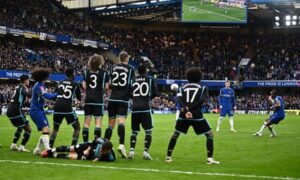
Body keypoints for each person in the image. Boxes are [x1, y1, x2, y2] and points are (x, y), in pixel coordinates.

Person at [165, 68, 219, 164]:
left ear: (188, 77)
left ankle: (168, 157)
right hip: (197, 115)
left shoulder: (182, 87)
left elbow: (179, 100)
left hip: (184, 115)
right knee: (209, 134)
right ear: (199, 77)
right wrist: (191, 110)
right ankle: (210, 158)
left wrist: (186, 110)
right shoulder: (203, 88)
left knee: (176, 134)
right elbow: (201, 101)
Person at [104, 51, 135, 158]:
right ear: (126, 58)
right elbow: (131, 84)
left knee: (110, 125)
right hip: (123, 99)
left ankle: (105, 144)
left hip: (112, 99)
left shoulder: (113, 67)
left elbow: (110, 84)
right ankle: (121, 145)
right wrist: (131, 95)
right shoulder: (131, 69)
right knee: (121, 123)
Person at [128, 65, 158, 160]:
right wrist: (148, 98)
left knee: (134, 131)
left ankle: (132, 150)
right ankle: (145, 151)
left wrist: (135, 98)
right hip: (145, 108)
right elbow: (155, 93)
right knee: (148, 131)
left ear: (138, 71)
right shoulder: (150, 79)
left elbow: (129, 93)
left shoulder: (133, 79)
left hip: (135, 108)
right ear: (145, 71)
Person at [49, 68, 81, 148]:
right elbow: (79, 97)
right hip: (67, 107)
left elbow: (54, 96)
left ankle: (49, 146)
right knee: (77, 127)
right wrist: (78, 101)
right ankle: (73, 147)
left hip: (57, 107)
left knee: (55, 128)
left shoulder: (59, 82)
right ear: (73, 74)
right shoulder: (75, 84)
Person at [30, 68, 57, 155]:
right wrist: (57, 93)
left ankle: (37, 149)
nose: (48, 77)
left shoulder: (40, 85)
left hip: (39, 110)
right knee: (45, 129)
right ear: (44, 77)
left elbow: (48, 96)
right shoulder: (39, 86)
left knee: (46, 130)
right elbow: (48, 96)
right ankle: (48, 149)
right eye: (47, 76)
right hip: (36, 110)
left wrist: (56, 94)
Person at [82, 54, 109, 142]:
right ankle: (95, 142)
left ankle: (85, 142)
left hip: (88, 100)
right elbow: (107, 87)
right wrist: (101, 92)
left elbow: (84, 86)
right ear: (100, 62)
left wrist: (90, 91)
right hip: (98, 100)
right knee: (98, 122)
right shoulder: (104, 73)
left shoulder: (86, 72)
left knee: (86, 122)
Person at [6, 75, 31, 152]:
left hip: (10, 109)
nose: (29, 81)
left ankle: (13, 145)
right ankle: (22, 147)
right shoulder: (22, 87)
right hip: (16, 110)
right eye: (28, 80)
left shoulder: (18, 87)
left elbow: (20, 99)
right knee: (28, 129)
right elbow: (27, 94)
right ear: (25, 80)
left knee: (20, 126)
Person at [42, 138, 116, 162]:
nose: (101, 150)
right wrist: (87, 150)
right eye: (101, 148)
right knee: (70, 148)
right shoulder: (100, 141)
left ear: (108, 150)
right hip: (86, 147)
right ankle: (49, 151)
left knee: (71, 157)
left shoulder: (111, 157)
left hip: (88, 157)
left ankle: (52, 155)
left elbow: (101, 158)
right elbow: (92, 143)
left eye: (103, 150)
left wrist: (98, 158)